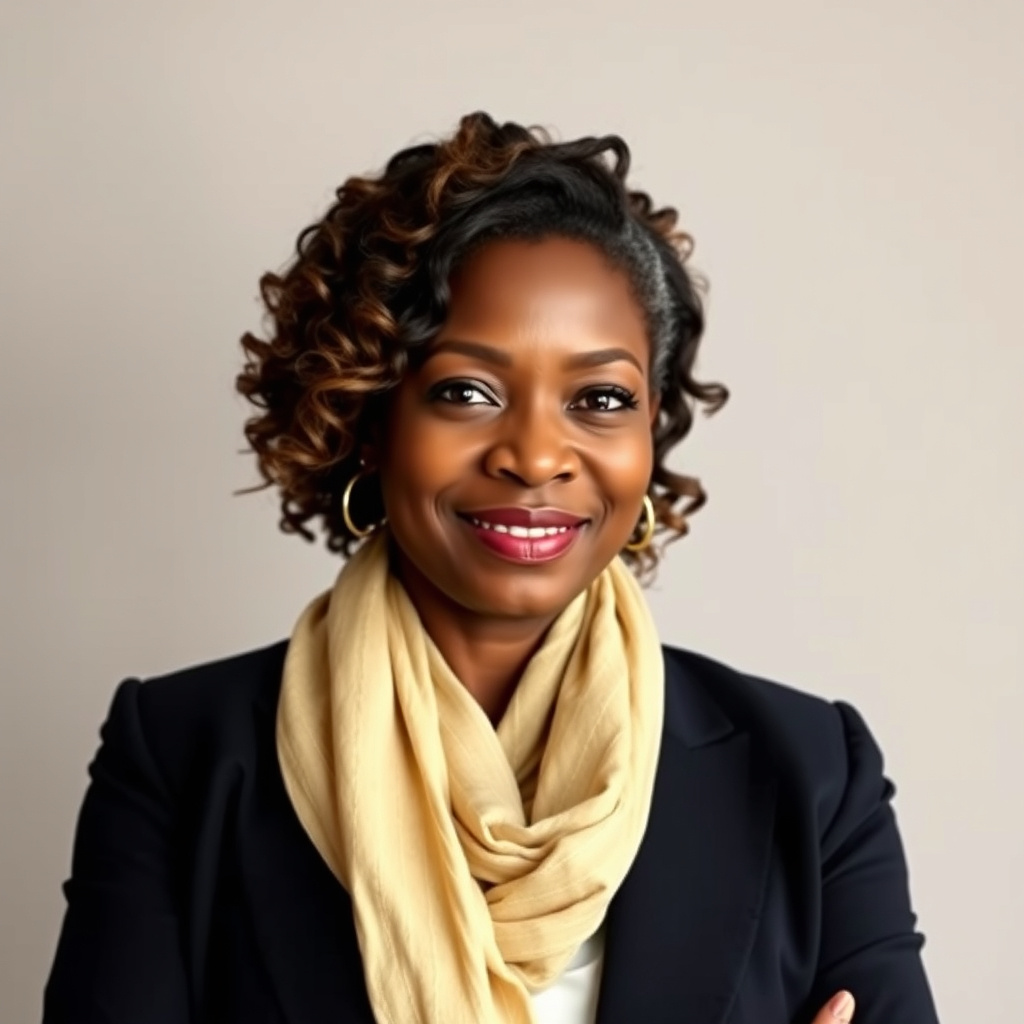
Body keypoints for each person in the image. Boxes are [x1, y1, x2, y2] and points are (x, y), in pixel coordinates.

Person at [43, 112, 939, 1024]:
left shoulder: (815, 772)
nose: (537, 455)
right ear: (367, 418)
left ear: (648, 438)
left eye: (599, 398)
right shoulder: (181, 757)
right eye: (466, 392)